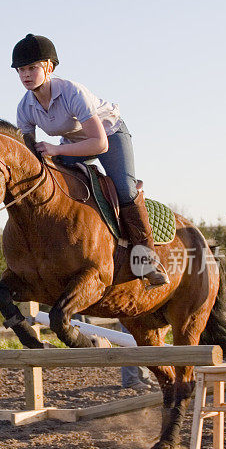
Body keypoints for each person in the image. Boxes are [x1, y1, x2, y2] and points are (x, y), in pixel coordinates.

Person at [11, 33, 169, 287]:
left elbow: (99, 144)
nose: (26, 75)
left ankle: (147, 263)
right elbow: (33, 156)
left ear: (49, 68)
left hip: (109, 135)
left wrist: (55, 149)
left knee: (125, 189)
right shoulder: (24, 108)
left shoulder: (73, 92)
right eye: (21, 70)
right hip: (72, 144)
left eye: (32, 68)